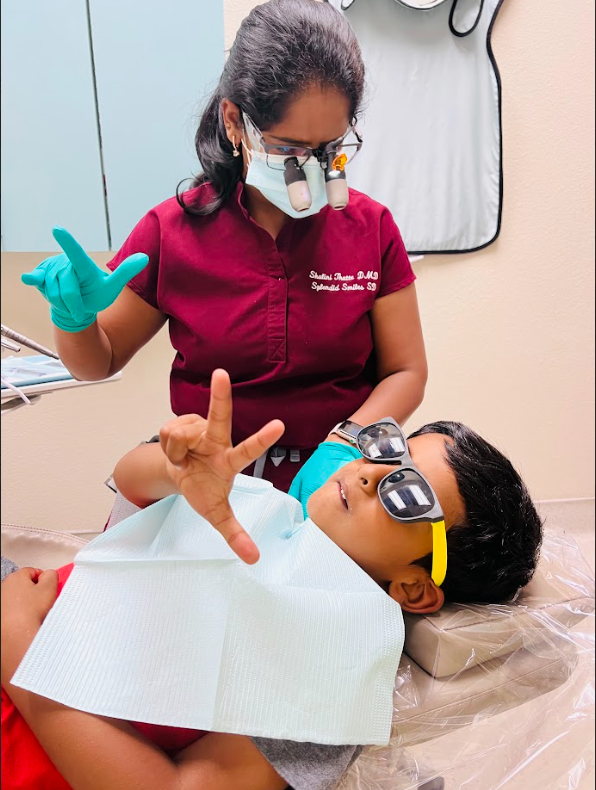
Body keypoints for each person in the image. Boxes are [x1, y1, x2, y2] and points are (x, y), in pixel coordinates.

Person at [1, 371, 543, 790]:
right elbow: (130, 485)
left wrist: (20, 647)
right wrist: (176, 471)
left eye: (406, 495)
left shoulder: (338, 656)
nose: (369, 471)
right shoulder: (270, 511)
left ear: (415, 588)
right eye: (388, 450)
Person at [21, 0, 428, 497]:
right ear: (235, 122)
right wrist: (75, 321)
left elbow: (406, 371)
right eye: (290, 149)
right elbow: (98, 363)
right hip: (210, 471)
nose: (315, 170)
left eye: (330, 148)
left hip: (340, 471)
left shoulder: (371, 227)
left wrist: (345, 443)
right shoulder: (171, 231)